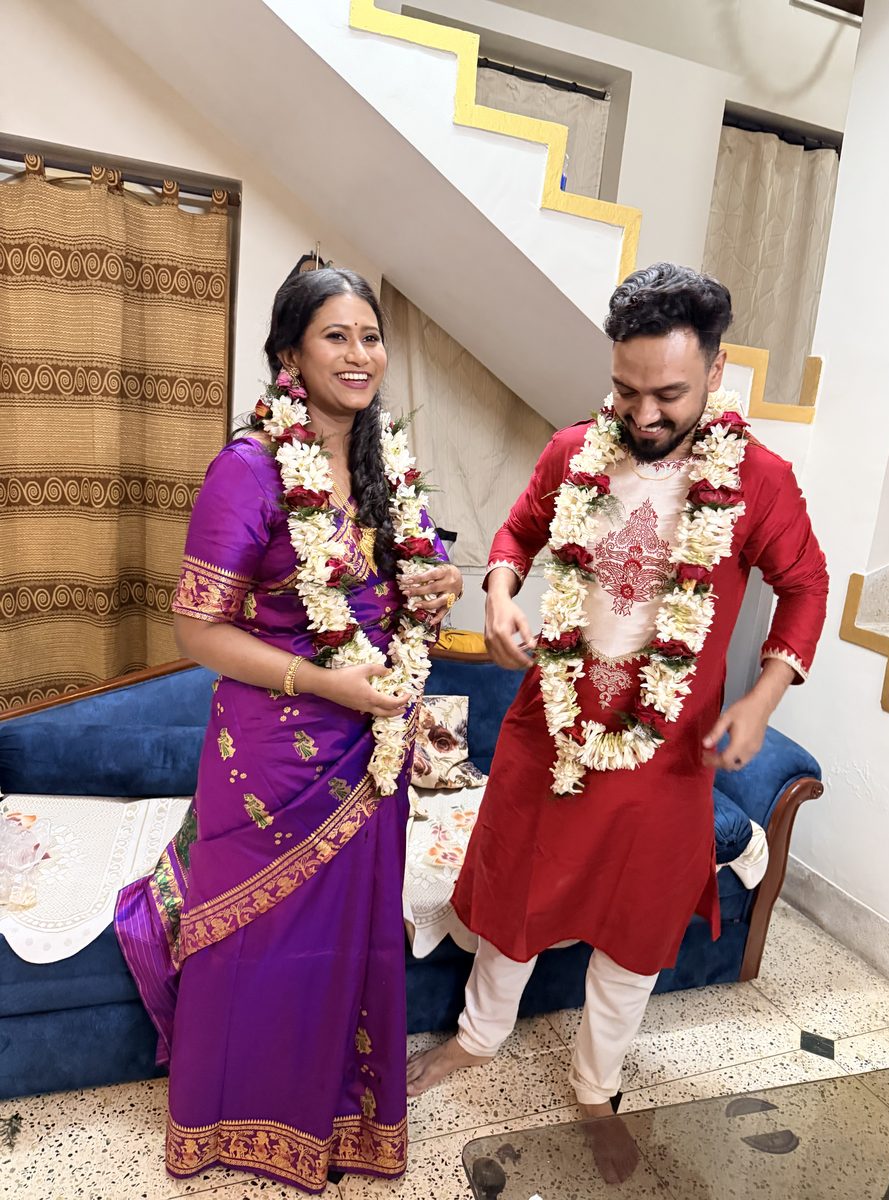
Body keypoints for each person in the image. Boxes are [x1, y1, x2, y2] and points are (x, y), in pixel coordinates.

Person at [406, 262, 828, 1183]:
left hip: (668, 754)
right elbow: (517, 535)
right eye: (626, 389)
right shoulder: (573, 452)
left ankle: (597, 1087)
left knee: (635, 925)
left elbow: (805, 587)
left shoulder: (759, 481)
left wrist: (760, 699)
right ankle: (479, 1038)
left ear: (715, 373)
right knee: (515, 886)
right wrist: (505, 592)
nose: (643, 414)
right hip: (546, 729)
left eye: (668, 393)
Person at [115, 266, 462, 1193]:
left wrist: (437, 588)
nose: (360, 355)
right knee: (259, 938)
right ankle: (231, 1121)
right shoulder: (248, 470)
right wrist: (323, 681)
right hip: (271, 752)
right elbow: (198, 629)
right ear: (288, 357)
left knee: (350, 933)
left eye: (371, 337)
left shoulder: (390, 463)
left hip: (369, 744)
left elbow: (405, 584)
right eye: (336, 337)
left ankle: (336, 1118)